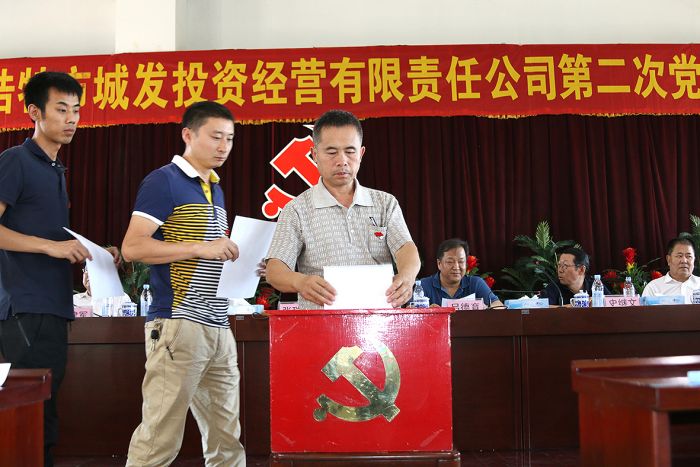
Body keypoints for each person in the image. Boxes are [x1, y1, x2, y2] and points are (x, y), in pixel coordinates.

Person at [0, 71, 121, 467]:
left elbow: (50, 237)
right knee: (30, 417)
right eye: (62, 109)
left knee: (44, 414)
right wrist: (51, 246)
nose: (72, 119)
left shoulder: (55, 169)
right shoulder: (16, 161)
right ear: (34, 112)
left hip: (51, 307)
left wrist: (92, 255)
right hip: (25, 308)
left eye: (77, 111)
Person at [121, 101, 245, 466]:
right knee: (159, 438)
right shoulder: (164, 181)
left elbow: (209, 254)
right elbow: (132, 247)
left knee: (226, 438)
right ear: (188, 135)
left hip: (218, 324)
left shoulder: (215, 188)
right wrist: (200, 248)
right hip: (178, 323)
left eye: (230, 139)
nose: (224, 146)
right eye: (216, 136)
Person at [266, 109, 420, 309]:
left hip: (379, 319)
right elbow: (275, 271)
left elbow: (406, 249)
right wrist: (300, 282)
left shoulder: (385, 203)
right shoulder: (296, 210)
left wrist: (407, 276)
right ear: (314, 155)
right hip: (320, 320)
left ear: (361, 153)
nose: (342, 161)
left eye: (350, 151)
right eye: (331, 152)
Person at [418, 238, 503, 308]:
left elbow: (499, 306)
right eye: (450, 262)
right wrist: (427, 312)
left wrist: (487, 309)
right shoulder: (423, 286)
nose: (456, 267)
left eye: (461, 261)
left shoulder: (476, 283)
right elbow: (411, 310)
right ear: (439, 264)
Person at [539, 247, 610, 306]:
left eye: (565, 266)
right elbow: (541, 307)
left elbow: (612, 304)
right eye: (559, 265)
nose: (560, 270)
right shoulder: (554, 287)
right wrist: (573, 306)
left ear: (581, 270)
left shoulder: (596, 286)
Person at [642, 237, 700, 303]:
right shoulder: (654, 288)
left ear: (694, 260)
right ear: (669, 260)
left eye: (689, 256)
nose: (684, 261)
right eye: (679, 256)